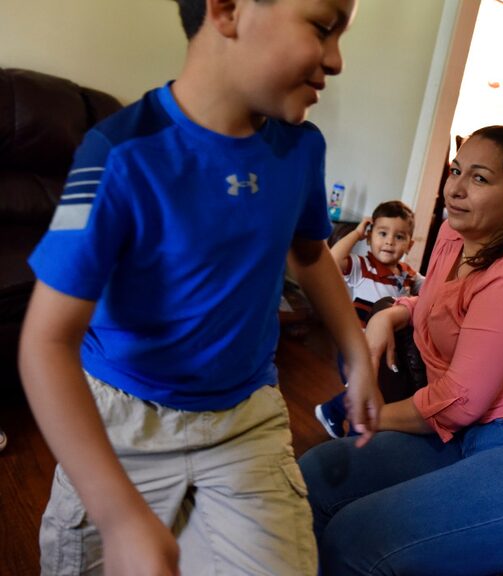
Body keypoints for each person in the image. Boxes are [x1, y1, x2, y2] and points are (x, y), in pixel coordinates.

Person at [18, 1, 381, 575]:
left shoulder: (301, 148)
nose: (335, 60)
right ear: (228, 8)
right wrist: (116, 515)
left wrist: (355, 348)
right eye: (322, 26)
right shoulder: (117, 153)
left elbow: (310, 255)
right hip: (123, 419)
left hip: (244, 422)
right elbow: (45, 342)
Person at [299, 125, 503, 576]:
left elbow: (460, 401)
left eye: (480, 179)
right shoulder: (453, 234)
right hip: (469, 437)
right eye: (456, 170)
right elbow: (438, 301)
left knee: (359, 537)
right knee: (315, 473)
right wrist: (390, 315)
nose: (457, 188)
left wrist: (364, 415)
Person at [315, 200, 424, 438]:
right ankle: (356, 441)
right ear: (369, 236)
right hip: (356, 347)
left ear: (409, 244)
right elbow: (332, 260)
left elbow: (430, 288)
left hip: (384, 350)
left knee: (371, 393)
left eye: (399, 237)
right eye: (382, 233)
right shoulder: (362, 266)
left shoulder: (407, 274)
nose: (389, 241)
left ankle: (332, 411)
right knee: (365, 397)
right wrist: (356, 233)